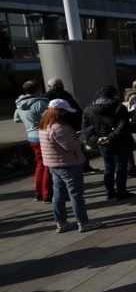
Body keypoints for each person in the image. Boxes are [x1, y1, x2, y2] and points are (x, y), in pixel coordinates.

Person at [39, 99, 97, 232]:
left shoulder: (43, 125)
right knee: (76, 194)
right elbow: (70, 146)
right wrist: (80, 139)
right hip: (68, 164)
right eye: (65, 111)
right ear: (59, 112)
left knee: (58, 194)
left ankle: (61, 222)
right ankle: (83, 223)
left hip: (53, 165)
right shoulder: (59, 127)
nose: (67, 114)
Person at [82, 85, 134, 200]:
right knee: (121, 167)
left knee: (108, 166)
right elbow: (123, 126)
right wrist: (110, 136)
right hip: (120, 141)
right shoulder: (119, 107)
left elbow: (86, 129)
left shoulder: (88, 109)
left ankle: (109, 192)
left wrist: (97, 139)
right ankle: (121, 191)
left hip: (102, 143)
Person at [13, 80, 51, 202]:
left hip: (31, 136)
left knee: (40, 164)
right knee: (47, 165)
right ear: (38, 89)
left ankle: (38, 192)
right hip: (43, 136)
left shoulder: (19, 104)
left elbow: (16, 120)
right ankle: (47, 194)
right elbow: (51, 117)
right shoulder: (41, 103)